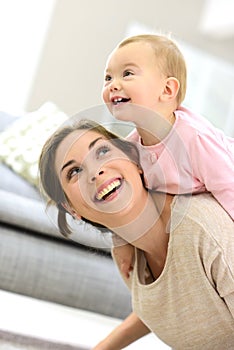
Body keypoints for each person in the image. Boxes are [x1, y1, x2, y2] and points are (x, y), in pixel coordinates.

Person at [39, 119, 234, 349]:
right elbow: (170, 305)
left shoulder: (201, 229)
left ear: (134, 160)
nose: (96, 171)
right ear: (71, 209)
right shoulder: (129, 255)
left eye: (102, 151)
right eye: (74, 171)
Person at [102, 33, 234, 276]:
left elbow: (229, 186)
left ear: (167, 89)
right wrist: (123, 244)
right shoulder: (131, 150)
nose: (113, 84)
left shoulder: (193, 138)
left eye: (127, 74)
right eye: (108, 77)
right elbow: (127, 200)